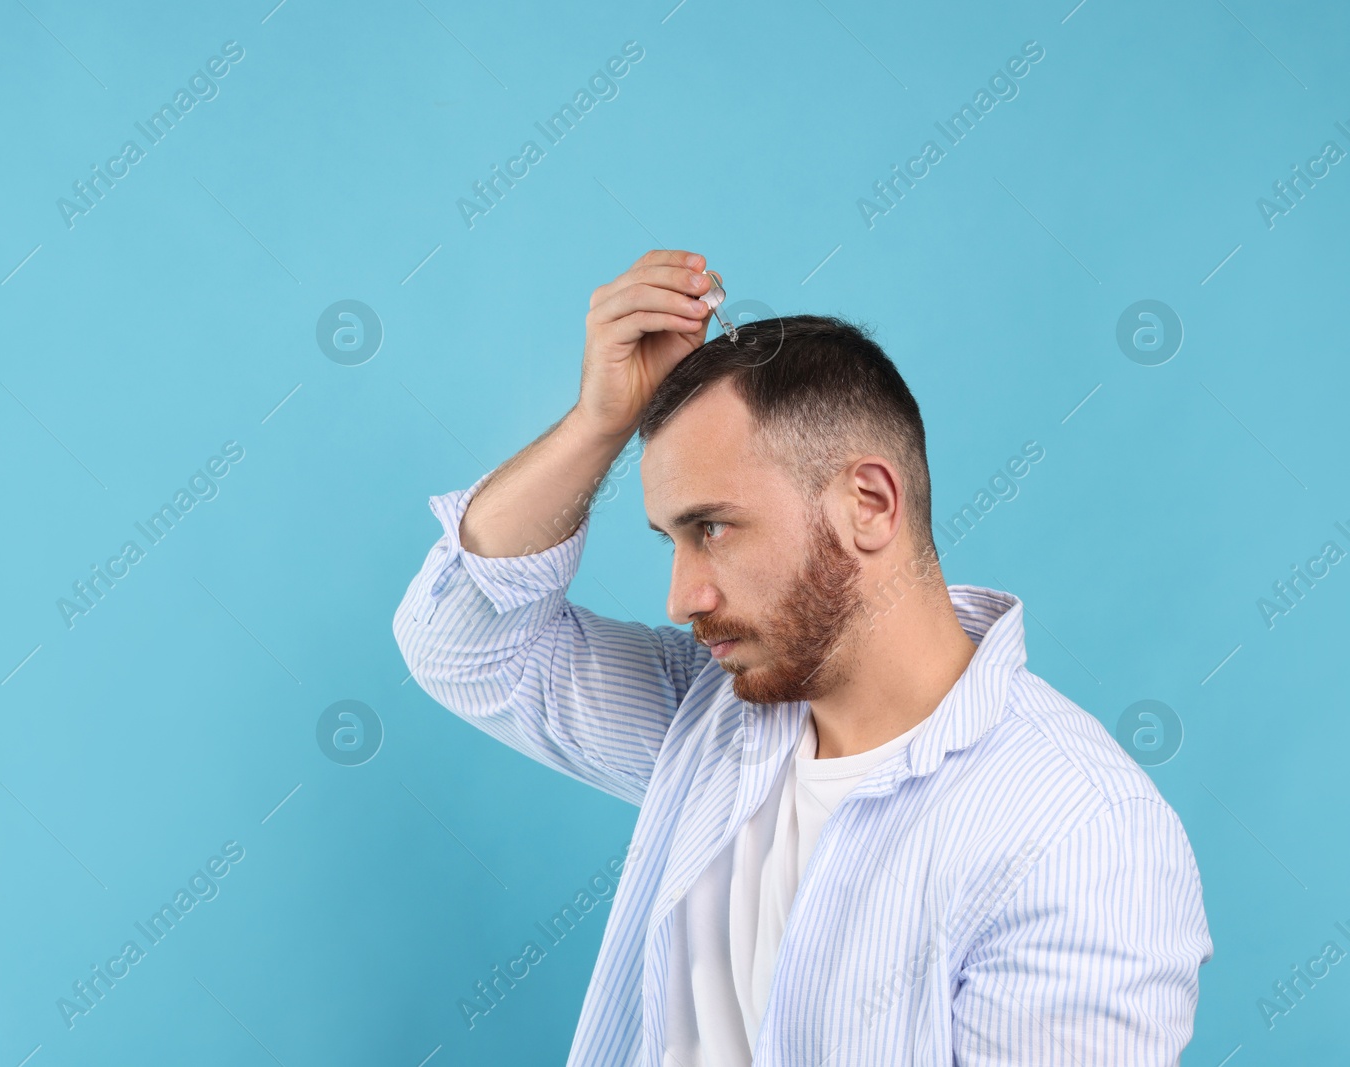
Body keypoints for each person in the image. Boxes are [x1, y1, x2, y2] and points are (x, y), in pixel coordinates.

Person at [392, 249, 1212, 1066]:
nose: (681, 599)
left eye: (711, 526)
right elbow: (464, 644)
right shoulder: (711, 716)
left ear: (869, 503)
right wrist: (596, 423)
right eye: (672, 539)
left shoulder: (1080, 835)